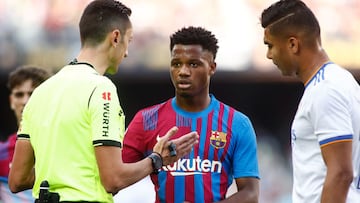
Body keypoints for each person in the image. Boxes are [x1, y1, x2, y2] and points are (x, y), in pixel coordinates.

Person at [8, 0, 198, 202]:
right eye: (129, 41)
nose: (126, 53)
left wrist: (65, 171)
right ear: (115, 37)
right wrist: (157, 160)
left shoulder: (41, 92)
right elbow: (113, 179)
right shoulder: (101, 89)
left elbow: (18, 179)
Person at [121, 26, 260, 203]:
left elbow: (250, 194)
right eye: (176, 64)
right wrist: (154, 161)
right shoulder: (146, 120)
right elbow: (115, 180)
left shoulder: (237, 124)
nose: (183, 72)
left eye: (193, 64)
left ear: (212, 67)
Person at [260, 0, 360, 202]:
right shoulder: (337, 81)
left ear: (292, 44)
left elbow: (341, 173)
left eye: (270, 46)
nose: (269, 55)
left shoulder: (326, 89)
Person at [0, 66, 50, 203]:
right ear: (11, 101)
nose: (25, 101)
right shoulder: (1, 154)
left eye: (32, 94)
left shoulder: (64, 149)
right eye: (19, 94)